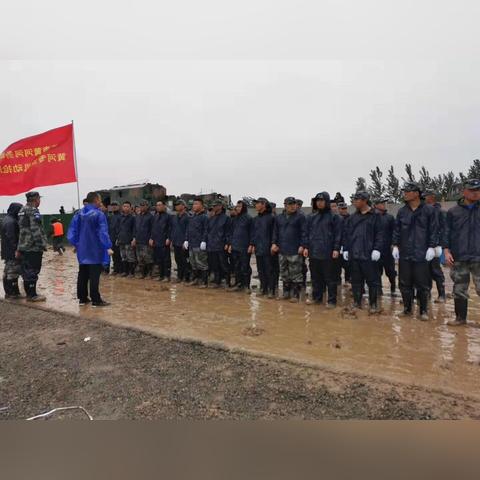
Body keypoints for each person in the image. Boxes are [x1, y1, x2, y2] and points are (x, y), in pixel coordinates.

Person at [392, 182, 439, 321]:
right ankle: (407, 309)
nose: (405, 193)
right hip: (405, 253)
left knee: (423, 283)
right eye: (404, 191)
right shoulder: (402, 211)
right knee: (404, 283)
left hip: (422, 253)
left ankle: (423, 311)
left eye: (408, 191)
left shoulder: (429, 210)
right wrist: (395, 245)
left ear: (417, 193)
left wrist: (432, 246)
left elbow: (434, 230)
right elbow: (397, 230)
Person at [444, 178, 480, 326]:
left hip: (479, 256)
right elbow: (446, 233)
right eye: (472, 190)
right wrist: (446, 251)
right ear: (464, 192)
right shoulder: (453, 212)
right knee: (459, 288)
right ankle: (460, 319)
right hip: (459, 256)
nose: (476, 193)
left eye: (478, 190)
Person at [67, 191, 113, 307]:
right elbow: (102, 232)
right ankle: (96, 300)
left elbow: (72, 231)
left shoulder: (78, 214)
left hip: (82, 250)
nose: (101, 202)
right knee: (94, 275)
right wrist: (107, 246)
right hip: (95, 250)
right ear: (96, 200)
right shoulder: (99, 214)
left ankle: (82, 299)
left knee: (82, 274)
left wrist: (77, 244)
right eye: (100, 199)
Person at [342, 191, 383, 313]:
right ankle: (357, 302)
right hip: (355, 254)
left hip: (370, 254)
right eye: (354, 199)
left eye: (357, 199)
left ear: (365, 200)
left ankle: (373, 304)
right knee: (356, 281)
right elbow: (347, 234)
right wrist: (346, 248)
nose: (354, 202)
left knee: (372, 281)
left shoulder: (375, 216)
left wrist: (377, 249)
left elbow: (380, 234)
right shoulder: (353, 217)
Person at [304, 192, 342, 307]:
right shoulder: (311, 217)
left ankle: (331, 300)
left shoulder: (335, 217)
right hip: (314, 252)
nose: (319, 203)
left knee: (330, 278)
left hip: (328, 253)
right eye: (317, 201)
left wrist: (336, 248)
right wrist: (306, 247)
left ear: (327, 202)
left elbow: (338, 235)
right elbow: (307, 234)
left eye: (322, 200)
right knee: (316, 277)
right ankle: (317, 298)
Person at [272, 197, 307, 302]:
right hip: (282, 249)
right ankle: (286, 293)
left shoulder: (300, 217)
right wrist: (274, 243)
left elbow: (304, 233)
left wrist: (302, 245)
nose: (293, 206)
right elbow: (275, 232)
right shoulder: (279, 218)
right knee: (284, 272)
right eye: (290, 204)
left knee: (295, 272)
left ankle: (295, 295)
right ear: (285, 205)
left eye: (294, 204)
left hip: (295, 249)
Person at [16, 192, 48, 302]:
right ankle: (32, 295)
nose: (40, 201)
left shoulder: (21, 210)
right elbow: (36, 230)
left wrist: (19, 247)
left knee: (26, 271)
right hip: (33, 247)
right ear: (36, 199)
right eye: (39, 199)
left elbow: (21, 230)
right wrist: (42, 245)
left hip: (24, 246)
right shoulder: (33, 211)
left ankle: (29, 294)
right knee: (33, 270)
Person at [424, 190, 447, 303]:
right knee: (424, 271)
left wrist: (439, 245)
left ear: (432, 197)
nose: (424, 198)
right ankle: (426, 293)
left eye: (426, 196)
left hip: (435, 246)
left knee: (435, 270)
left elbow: (444, 230)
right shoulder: (423, 210)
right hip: (423, 246)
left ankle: (442, 294)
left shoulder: (440, 212)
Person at [251, 198, 276, 298]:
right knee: (260, 270)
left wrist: (274, 244)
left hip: (268, 248)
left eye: (258, 203)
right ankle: (263, 288)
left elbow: (275, 233)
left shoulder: (271, 218)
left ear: (264, 205)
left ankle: (271, 290)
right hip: (258, 248)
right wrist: (252, 244)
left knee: (269, 270)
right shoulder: (256, 219)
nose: (256, 205)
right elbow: (254, 234)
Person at [227, 200, 253, 292]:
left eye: (239, 206)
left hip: (245, 247)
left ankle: (246, 286)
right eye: (236, 206)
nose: (237, 208)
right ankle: (238, 284)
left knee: (245, 267)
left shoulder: (249, 219)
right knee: (237, 267)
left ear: (244, 207)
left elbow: (252, 233)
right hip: (235, 246)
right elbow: (231, 233)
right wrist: (230, 244)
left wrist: (251, 245)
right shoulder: (234, 219)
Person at [373, 198, 397, 296]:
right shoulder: (372, 217)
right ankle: (379, 290)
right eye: (381, 203)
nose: (384, 205)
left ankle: (393, 286)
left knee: (390, 271)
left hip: (387, 249)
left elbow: (394, 231)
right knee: (376, 271)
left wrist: (394, 244)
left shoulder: (390, 217)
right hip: (376, 249)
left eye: (384, 203)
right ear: (376, 205)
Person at [207, 200, 231, 288]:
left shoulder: (226, 218)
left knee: (224, 264)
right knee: (214, 265)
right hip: (212, 245)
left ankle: (228, 282)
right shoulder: (211, 219)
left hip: (221, 245)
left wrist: (227, 243)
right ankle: (217, 281)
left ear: (220, 206)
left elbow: (228, 232)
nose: (213, 207)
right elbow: (208, 231)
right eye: (213, 206)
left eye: (215, 206)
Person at [185, 197, 209, 288]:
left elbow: (206, 230)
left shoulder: (204, 217)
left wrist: (204, 241)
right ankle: (195, 279)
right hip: (191, 243)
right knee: (193, 263)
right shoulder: (192, 217)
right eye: (194, 204)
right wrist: (186, 239)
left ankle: (204, 282)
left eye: (196, 204)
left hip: (199, 244)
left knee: (202, 263)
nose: (194, 206)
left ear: (202, 206)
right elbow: (188, 229)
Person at [1, 202, 23, 299]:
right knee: (13, 272)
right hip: (12, 250)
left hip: (7, 250)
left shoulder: (6, 219)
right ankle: (12, 293)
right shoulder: (11, 222)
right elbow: (11, 237)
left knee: (8, 271)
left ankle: (9, 292)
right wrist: (16, 250)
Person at [150, 200, 172, 282]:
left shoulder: (168, 216)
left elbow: (170, 228)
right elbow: (153, 229)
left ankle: (167, 276)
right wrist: (151, 238)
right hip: (156, 241)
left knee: (166, 259)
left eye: (160, 205)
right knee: (158, 260)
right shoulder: (155, 216)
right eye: (157, 205)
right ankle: (161, 275)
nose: (158, 207)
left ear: (164, 206)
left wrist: (169, 238)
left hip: (164, 240)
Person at [170, 199, 191, 283]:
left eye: (178, 205)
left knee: (185, 261)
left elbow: (188, 230)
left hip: (183, 243)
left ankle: (186, 278)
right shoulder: (175, 217)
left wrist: (186, 240)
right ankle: (179, 277)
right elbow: (173, 229)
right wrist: (172, 239)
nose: (177, 206)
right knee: (177, 260)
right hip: (176, 242)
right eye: (176, 205)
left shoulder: (187, 217)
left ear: (183, 206)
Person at [132, 199, 154, 279]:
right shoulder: (137, 216)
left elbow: (153, 229)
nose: (142, 207)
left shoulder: (150, 217)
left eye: (144, 205)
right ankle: (142, 273)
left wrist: (151, 238)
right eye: (141, 205)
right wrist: (134, 238)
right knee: (140, 258)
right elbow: (135, 229)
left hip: (146, 241)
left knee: (148, 258)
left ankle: (149, 273)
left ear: (147, 206)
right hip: (138, 240)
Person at [117, 201, 136, 277]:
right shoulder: (120, 218)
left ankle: (131, 272)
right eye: (124, 206)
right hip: (121, 240)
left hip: (129, 240)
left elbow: (134, 229)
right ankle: (125, 271)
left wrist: (134, 239)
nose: (125, 207)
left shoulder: (133, 218)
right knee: (123, 257)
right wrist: (118, 238)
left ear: (130, 208)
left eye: (127, 206)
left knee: (130, 257)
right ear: (122, 207)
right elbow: (118, 229)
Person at [337, 202, 351, 284]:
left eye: (345, 208)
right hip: (338, 246)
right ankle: (338, 283)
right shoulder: (336, 219)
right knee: (337, 267)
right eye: (342, 209)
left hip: (348, 246)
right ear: (339, 209)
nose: (344, 210)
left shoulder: (351, 219)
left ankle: (347, 281)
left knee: (348, 266)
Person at [107, 202, 122, 275]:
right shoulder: (110, 217)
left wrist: (118, 238)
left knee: (119, 255)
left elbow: (121, 229)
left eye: (115, 206)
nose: (114, 207)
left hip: (118, 239)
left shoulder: (121, 216)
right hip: (111, 239)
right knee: (114, 255)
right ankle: (116, 270)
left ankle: (120, 270)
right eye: (112, 206)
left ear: (118, 206)